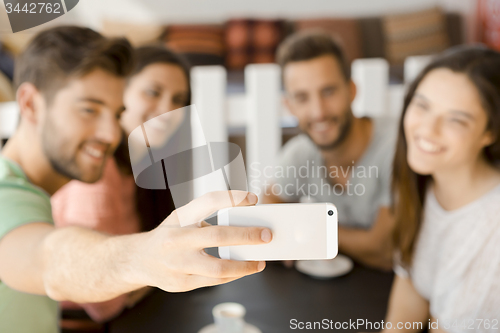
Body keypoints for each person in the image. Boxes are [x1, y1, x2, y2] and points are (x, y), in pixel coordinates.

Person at [0, 26, 272, 333]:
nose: (110, 134)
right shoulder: (6, 197)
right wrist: (142, 259)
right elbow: (48, 260)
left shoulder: (36, 193)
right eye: (89, 109)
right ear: (30, 104)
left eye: (116, 114)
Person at [50, 45, 191, 324]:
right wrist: (148, 276)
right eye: (153, 92)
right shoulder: (97, 175)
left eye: (178, 99)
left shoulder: (144, 164)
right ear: (120, 94)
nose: (167, 110)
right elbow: (104, 301)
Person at [383, 46, 500, 332]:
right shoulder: (422, 182)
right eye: (422, 105)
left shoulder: (492, 227)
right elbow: (411, 290)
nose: (427, 129)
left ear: (490, 133)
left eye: (455, 119)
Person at [262, 30, 397, 270]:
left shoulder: (396, 147)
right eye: (302, 97)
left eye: (328, 91)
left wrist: (306, 229)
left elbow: (383, 249)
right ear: (289, 105)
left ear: (352, 90)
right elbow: (269, 207)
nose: (318, 112)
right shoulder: (300, 153)